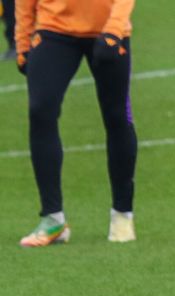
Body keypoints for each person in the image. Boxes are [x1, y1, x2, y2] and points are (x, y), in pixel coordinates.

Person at [14, 0, 137, 247]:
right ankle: (53, 218)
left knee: (116, 117)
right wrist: (22, 41)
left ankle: (122, 214)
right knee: (40, 111)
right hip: (53, 30)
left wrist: (114, 29)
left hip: (109, 32)